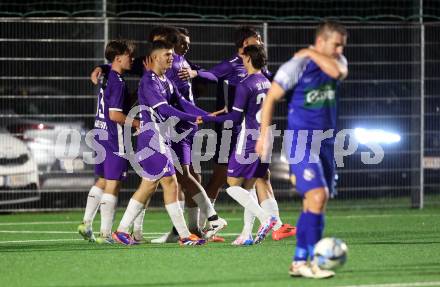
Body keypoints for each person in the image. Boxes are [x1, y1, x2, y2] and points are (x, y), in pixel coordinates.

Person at [256, 21, 348, 278]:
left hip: (327, 143)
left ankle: (301, 262)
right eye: (336, 44)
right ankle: (309, 262)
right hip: (301, 141)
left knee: (317, 202)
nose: (340, 49)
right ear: (322, 41)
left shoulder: (336, 61)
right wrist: (264, 134)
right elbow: (272, 97)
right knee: (317, 196)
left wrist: (310, 52)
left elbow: (338, 72)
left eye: (343, 45)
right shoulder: (296, 65)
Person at [112, 40, 225, 246]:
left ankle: (120, 231)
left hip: (158, 137)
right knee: (171, 183)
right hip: (151, 139)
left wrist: (208, 116)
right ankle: (184, 236)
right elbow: (164, 109)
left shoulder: (166, 80)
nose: (171, 58)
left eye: (172, 55)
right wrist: (193, 118)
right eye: (167, 55)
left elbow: (182, 103)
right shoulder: (149, 81)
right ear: (155, 57)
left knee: (148, 186)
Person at [204, 26, 296, 243]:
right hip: (267, 134)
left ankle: (269, 220)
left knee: (233, 186)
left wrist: (210, 118)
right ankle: (247, 234)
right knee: (253, 184)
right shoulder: (266, 80)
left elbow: (235, 118)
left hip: (249, 138)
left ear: (247, 58)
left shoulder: (246, 84)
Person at [151, 27, 223, 243]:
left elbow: (175, 100)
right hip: (187, 122)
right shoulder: (179, 62)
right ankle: (194, 227)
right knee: (187, 173)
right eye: (183, 42)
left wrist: (196, 74)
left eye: (186, 42)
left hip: (179, 125)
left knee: (178, 176)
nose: (186, 46)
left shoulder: (174, 63)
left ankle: (201, 223)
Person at [77, 39, 140, 244]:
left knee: (102, 180)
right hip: (115, 138)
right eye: (129, 55)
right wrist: (137, 123)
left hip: (100, 133)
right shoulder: (118, 82)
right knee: (114, 184)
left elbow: (114, 105)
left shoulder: (107, 76)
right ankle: (105, 234)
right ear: (118, 58)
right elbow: (115, 115)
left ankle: (86, 224)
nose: (132, 58)